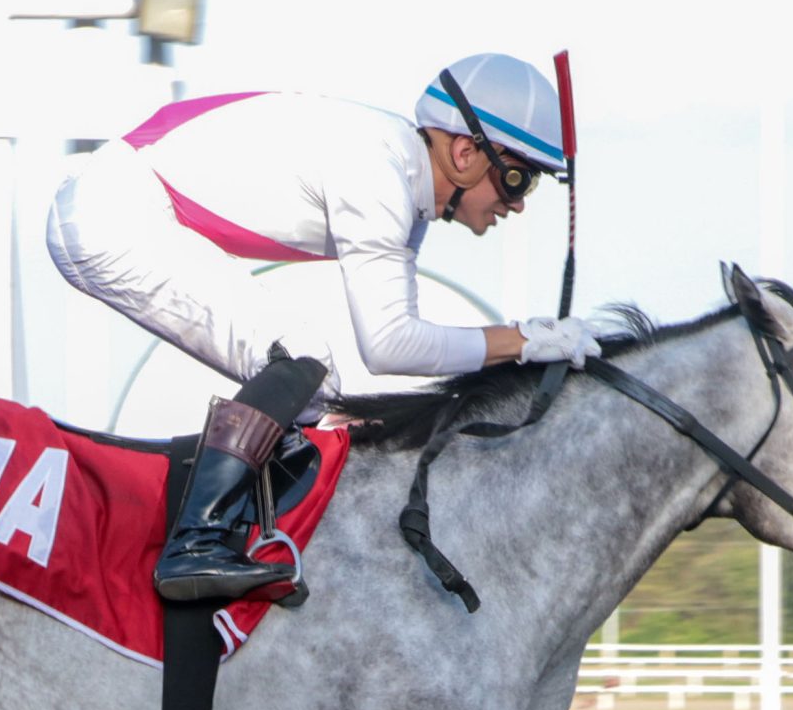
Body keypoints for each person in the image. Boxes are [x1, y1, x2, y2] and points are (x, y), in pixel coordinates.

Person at [47, 52, 601, 602]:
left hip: (123, 204)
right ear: (463, 152)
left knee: (315, 389)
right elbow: (390, 345)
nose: (519, 205)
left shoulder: (400, 183)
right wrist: (523, 341)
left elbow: (391, 345)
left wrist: (521, 343)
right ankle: (193, 546)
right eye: (517, 179)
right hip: (112, 215)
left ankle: (247, 535)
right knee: (301, 358)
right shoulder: (379, 178)